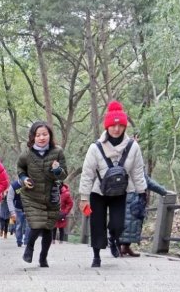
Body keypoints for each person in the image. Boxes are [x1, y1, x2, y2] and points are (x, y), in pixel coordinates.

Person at [79, 101, 146, 268]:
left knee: (118, 225)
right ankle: (96, 256)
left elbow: (137, 171)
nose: (116, 129)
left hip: (120, 191)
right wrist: (84, 197)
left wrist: (142, 192)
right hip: (98, 192)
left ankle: (114, 238)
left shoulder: (133, 147)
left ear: (124, 126)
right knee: (97, 224)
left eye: (120, 125)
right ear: (107, 126)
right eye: (113, 125)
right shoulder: (95, 147)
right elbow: (87, 173)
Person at [18, 121, 68, 268]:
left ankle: (43, 257)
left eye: (44, 134)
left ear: (50, 135)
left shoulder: (57, 152)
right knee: (36, 225)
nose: (41, 138)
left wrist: (57, 170)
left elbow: (63, 175)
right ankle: (29, 248)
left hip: (51, 196)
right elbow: (20, 168)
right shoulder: (26, 154)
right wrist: (23, 178)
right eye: (38, 135)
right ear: (32, 137)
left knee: (48, 228)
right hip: (32, 196)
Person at [119, 135, 168, 257]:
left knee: (130, 223)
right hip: (130, 197)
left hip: (131, 197)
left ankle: (125, 247)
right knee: (127, 223)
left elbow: (145, 180)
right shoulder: (127, 161)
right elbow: (147, 181)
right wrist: (163, 191)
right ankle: (120, 246)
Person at [7, 179, 30, 247]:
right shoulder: (14, 186)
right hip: (18, 209)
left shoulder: (30, 183)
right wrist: (12, 212)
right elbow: (9, 199)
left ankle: (26, 242)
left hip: (28, 208)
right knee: (18, 226)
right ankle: (19, 241)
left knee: (29, 226)